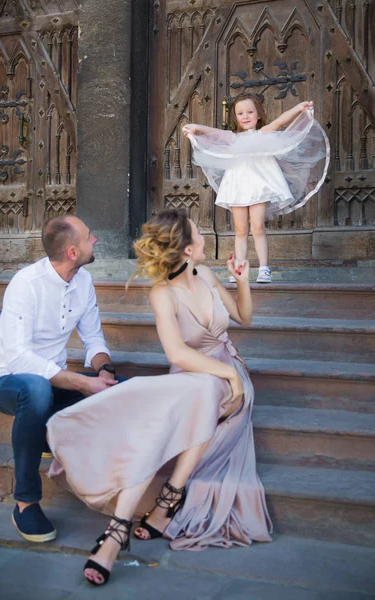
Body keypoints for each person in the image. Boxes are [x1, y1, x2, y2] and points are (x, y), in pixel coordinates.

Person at [46, 209, 273, 587]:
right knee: (176, 410)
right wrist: (228, 374)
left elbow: (244, 317)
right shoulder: (161, 294)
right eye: (199, 236)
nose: (204, 240)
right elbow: (177, 355)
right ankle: (145, 515)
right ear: (186, 249)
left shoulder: (207, 274)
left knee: (201, 393)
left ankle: (138, 519)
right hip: (194, 378)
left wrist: (243, 282)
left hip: (228, 382)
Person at [0, 215, 122, 543]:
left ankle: (118, 487)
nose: (96, 241)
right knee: (36, 390)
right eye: (90, 237)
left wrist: (104, 372)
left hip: (53, 382)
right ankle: (25, 502)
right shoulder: (26, 283)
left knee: (123, 392)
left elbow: (94, 341)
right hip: (9, 381)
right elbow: (18, 358)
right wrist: (82, 383)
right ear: (73, 252)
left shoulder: (83, 281)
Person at [183, 93, 329, 283]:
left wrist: (299, 108)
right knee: (240, 229)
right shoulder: (233, 138)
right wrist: (194, 127)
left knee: (258, 227)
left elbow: (280, 120)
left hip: (259, 187)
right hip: (237, 186)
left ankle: (264, 268)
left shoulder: (264, 133)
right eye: (240, 113)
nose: (245, 116)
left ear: (258, 114)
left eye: (250, 112)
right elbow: (213, 132)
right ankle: (240, 268)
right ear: (235, 117)